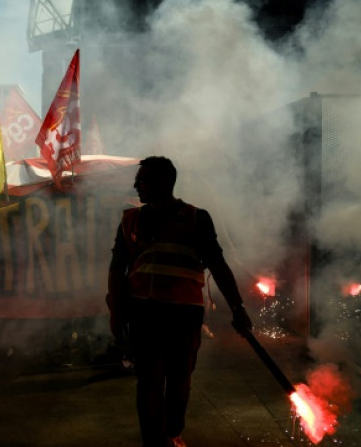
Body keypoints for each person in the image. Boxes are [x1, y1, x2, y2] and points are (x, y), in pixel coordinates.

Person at [106, 156, 253, 447]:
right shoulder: (130, 219)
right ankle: (155, 441)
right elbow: (116, 268)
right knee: (148, 382)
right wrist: (116, 314)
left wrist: (237, 307)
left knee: (179, 380)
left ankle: (173, 432)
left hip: (183, 316)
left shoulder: (197, 218)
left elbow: (218, 265)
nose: (136, 185)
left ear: (164, 182)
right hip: (144, 313)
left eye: (143, 179)